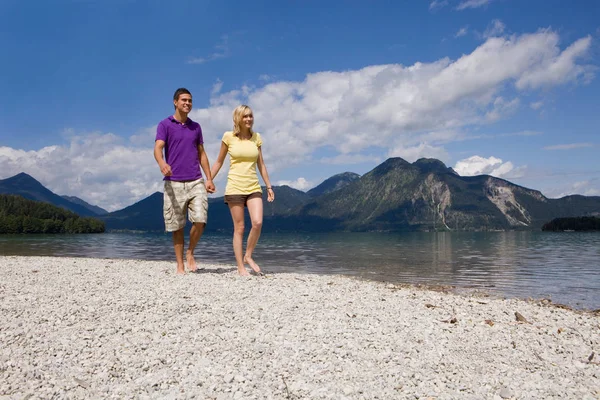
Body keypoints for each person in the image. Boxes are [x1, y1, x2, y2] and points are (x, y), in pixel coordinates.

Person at [154, 88, 215, 274]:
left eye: (190, 100)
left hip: (196, 179)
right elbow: (158, 148)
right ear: (175, 102)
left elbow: (202, 154)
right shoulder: (165, 124)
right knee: (177, 225)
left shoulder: (196, 127)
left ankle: (190, 252)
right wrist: (162, 162)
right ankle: (180, 264)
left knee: (200, 219)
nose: (187, 103)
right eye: (184, 100)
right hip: (173, 182)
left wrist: (209, 178)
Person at [211, 105, 274, 276]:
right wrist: (208, 179)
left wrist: (268, 186)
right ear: (238, 118)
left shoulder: (257, 138)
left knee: (257, 222)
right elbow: (219, 161)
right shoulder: (228, 137)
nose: (248, 119)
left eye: (250, 116)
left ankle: (248, 255)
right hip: (235, 187)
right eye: (245, 116)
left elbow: (261, 163)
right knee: (239, 228)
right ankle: (240, 266)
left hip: (253, 186)